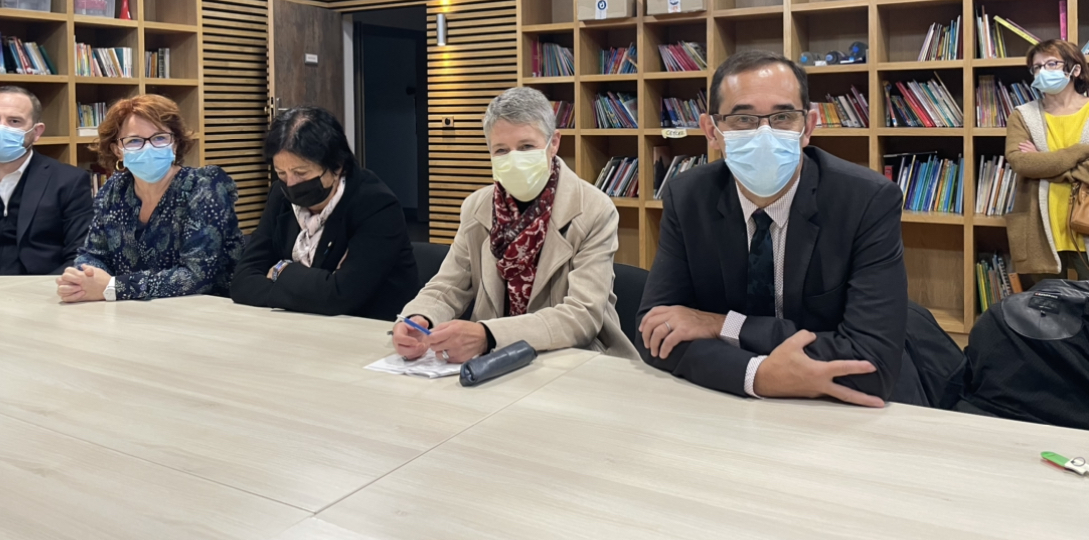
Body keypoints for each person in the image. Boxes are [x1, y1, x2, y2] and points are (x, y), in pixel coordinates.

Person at [636, 50, 921, 406]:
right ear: (712, 130)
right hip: (728, 410)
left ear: (809, 127)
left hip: (843, 413)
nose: (765, 134)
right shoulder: (687, 196)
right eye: (743, 120)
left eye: (784, 116)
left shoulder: (867, 201)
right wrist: (759, 376)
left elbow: (870, 364)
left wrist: (720, 325)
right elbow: (655, 331)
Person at [393, 87, 638, 363]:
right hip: (493, 362)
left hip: (572, 360)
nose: (514, 159)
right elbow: (448, 286)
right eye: (501, 150)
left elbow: (582, 316)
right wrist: (418, 318)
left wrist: (489, 335)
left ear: (553, 142)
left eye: (526, 147)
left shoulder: (594, 209)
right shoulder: (476, 207)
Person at [231, 106, 418, 318]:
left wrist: (280, 271)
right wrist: (317, 286)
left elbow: (340, 297)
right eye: (281, 173)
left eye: (301, 173)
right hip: (296, 323)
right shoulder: (280, 196)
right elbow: (242, 281)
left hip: (368, 331)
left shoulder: (376, 205)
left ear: (337, 166)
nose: (290, 184)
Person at [55, 95, 242, 302]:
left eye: (159, 138)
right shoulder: (114, 189)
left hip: (208, 313)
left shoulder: (204, 186)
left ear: (175, 143)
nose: (148, 147)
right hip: (132, 312)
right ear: (117, 150)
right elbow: (94, 254)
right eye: (134, 141)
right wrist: (83, 279)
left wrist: (113, 287)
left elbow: (197, 276)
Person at [0, 86, 92, 276]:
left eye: (14, 121)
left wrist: (47, 292)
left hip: (38, 293)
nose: (1, 128)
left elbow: (80, 253)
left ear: (37, 131)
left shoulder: (68, 181)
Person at [1004, 39, 1089, 280]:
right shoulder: (1022, 115)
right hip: (1039, 230)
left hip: (1085, 229)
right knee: (1045, 312)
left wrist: (1044, 162)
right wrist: (1082, 152)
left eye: (1051, 63)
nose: (1042, 71)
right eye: (1037, 67)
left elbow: (1036, 165)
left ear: (1075, 69)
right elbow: (1021, 163)